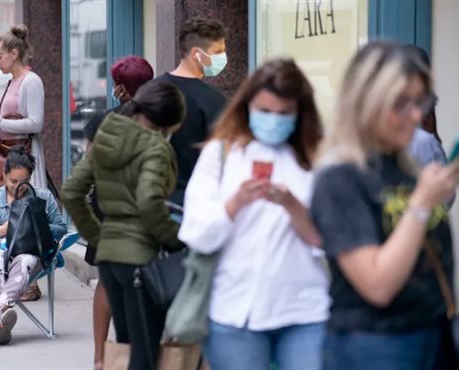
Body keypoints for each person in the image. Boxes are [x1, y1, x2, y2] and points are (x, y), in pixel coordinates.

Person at [311, 41, 459, 369]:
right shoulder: (340, 176)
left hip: (430, 333)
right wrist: (423, 203)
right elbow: (377, 285)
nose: (416, 114)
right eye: (401, 103)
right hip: (376, 345)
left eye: (420, 101)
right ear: (367, 102)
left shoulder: (403, 167)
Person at [178, 59, 329, 370]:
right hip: (235, 308)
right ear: (247, 106)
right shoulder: (222, 153)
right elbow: (196, 233)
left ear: (300, 113)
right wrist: (234, 204)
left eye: (284, 113)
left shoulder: (315, 159)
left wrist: (292, 206)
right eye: (264, 111)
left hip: (305, 309)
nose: (273, 120)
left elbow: (330, 240)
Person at [61, 80, 185, 370]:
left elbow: (71, 192)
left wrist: (98, 236)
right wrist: (176, 241)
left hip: (109, 259)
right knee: (144, 354)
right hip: (140, 260)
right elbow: (149, 202)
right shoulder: (155, 147)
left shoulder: (105, 139)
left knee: (128, 346)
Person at [81, 55, 154, 370]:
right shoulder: (161, 119)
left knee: (107, 281)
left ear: (123, 89)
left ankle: (101, 357)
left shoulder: (103, 121)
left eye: (116, 85)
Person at [0, 24, 47, 302]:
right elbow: (7, 125)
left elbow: (36, 123)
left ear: (15, 54)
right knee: (7, 215)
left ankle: (31, 282)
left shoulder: (31, 81)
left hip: (24, 159)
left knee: (27, 215)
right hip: (9, 157)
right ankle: (10, 277)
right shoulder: (10, 84)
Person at [0, 146, 67, 345]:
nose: (18, 186)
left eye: (24, 182)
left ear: (30, 179)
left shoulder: (43, 197)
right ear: (4, 176)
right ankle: (1, 319)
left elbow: (61, 228)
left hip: (30, 251)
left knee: (24, 261)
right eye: (13, 181)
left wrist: (39, 226)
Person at [156, 17, 228, 206]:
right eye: (218, 52)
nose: (223, 57)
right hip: (194, 206)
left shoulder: (149, 91)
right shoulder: (215, 101)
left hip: (150, 206)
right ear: (196, 53)